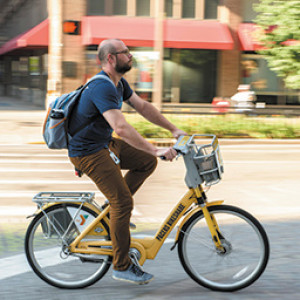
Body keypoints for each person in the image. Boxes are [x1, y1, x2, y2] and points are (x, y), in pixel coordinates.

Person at [68, 39, 186, 285]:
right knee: (122, 201)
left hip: (103, 144)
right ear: (111, 58)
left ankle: (111, 216)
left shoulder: (118, 83)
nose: (131, 56)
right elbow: (121, 127)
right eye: (126, 53)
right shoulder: (102, 86)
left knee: (145, 162)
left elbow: (143, 107)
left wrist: (174, 130)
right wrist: (155, 149)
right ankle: (121, 265)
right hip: (87, 151)